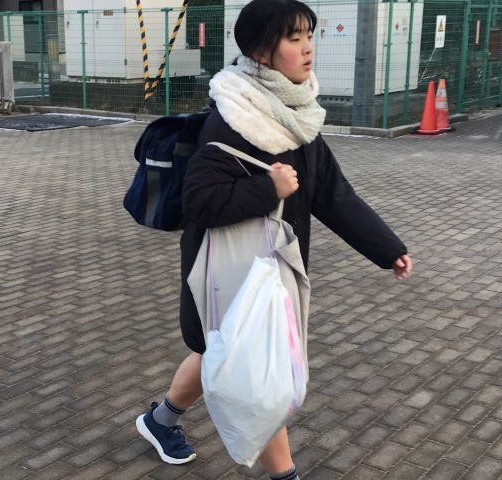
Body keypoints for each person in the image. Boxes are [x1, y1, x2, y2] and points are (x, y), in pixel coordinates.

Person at [135, 0, 413, 478]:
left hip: (270, 267)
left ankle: (160, 421)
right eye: (293, 38)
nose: (307, 48)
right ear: (262, 52)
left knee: (217, 351)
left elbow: (333, 196)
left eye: (309, 35)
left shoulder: (297, 115)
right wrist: (269, 189)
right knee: (259, 377)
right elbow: (201, 202)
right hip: (227, 271)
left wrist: (388, 250)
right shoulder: (235, 117)